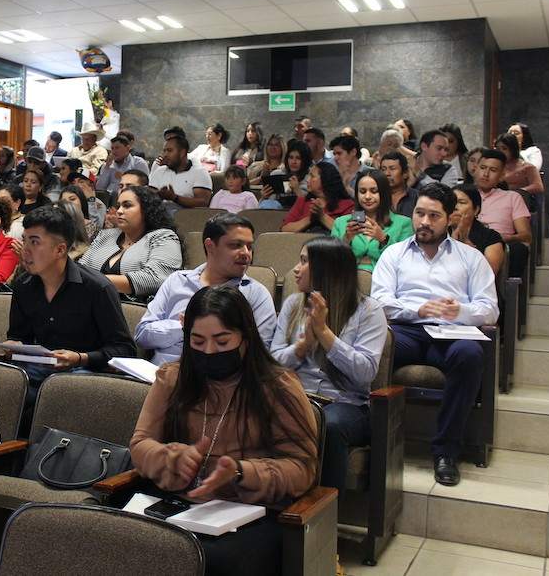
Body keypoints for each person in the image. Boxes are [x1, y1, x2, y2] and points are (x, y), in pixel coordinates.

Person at [130, 285, 317, 575]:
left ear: (246, 337)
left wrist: (241, 472)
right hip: (176, 502)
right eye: (198, 341)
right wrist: (173, 457)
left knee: (217, 560)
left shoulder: (277, 387)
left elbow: (302, 468)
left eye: (222, 341)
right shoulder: (172, 379)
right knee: (121, 541)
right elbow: (141, 444)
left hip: (248, 512)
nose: (209, 351)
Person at [371, 183, 498, 485]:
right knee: (374, 345)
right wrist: (417, 310)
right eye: (419, 214)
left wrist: (461, 311)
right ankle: (368, 437)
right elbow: (379, 301)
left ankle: (445, 452)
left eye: (434, 216)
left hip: (453, 331)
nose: (424, 222)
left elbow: (490, 309)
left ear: (450, 218)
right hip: (407, 330)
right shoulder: (394, 254)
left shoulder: (470, 257)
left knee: (469, 355)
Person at [271, 237, 387, 495]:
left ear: (326, 269)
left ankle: (325, 511)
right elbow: (274, 363)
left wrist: (325, 334)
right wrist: (302, 346)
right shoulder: (293, 304)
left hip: (346, 405)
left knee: (329, 424)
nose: (295, 269)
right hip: (298, 396)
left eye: (304, 262)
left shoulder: (368, 311)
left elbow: (366, 372)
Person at [3, 206, 134, 404]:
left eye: (35, 242)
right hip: (40, 367)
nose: (25, 249)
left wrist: (81, 358)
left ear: (60, 250)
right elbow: (19, 335)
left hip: (86, 371)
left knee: (61, 390)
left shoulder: (97, 288)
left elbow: (124, 349)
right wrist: (15, 344)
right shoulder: (24, 285)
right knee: (1, 382)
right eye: (25, 240)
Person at [136, 213, 277, 365]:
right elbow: (142, 336)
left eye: (249, 247)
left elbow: (261, 354)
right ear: (210, 246)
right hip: (160, 372)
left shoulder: (256, 293)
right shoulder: (177, 281)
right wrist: (182, 328)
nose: (246, 253)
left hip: (221, 375)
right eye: (236, 245)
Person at [80, 186, 183, 302]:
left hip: (137, 308)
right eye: (118, 206)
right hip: (92, 303)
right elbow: (81, 269)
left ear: (146, 210)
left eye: (127, 205)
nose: (119, 211)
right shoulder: (106, 235)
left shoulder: (164, 237)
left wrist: (97, 281)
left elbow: (156, 278)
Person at [330, 169, 414, 271]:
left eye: (374, 191)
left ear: (384, 193)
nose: (367, 197)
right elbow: (330, 260)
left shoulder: (403, 223)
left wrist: (383, 239)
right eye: (362, 192)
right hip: (347, 278)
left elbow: (406, 261)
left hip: (386, 278)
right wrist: (346, 240)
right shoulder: (340, 222)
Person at [476, 149, 532, 277]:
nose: (486, 174)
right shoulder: (463, 194)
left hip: (500, 244)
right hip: (469, 241)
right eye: (483, 168)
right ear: (476, 169)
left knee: (519, 249)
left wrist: (507, 237)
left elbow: (526, 236)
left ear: (501, 176)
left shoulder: (513, 198)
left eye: (493, 170)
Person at [281, 162, 354, 234]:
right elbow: (284, 229)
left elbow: (347, 232)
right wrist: (310, 219)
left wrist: (322, 216)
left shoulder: (347, 205)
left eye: (312, 176)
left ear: (325, 179)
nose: (307, 180)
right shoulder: (302, 201)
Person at [149, 135, 212, 215]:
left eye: (170, 151)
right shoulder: (159, 171)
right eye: (164, 151)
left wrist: (175, 198)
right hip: (159, 215)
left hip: (187, 217)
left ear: (182, 153)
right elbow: (149, 196)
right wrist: (159, 194)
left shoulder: (199, 172)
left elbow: (202, 203)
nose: (165, 154)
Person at [451, 183, 504, 276]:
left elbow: (489, 273)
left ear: (476, 210)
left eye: (462, 203)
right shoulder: (438, 233)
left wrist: (466, 243)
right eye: (452, 202)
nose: (455, 207)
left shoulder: (490, 237)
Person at [258, 140, 310, 206]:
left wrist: (297, 190)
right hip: (275, 210)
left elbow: (307, 207)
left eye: (298, 158)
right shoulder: (277, 174)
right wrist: (264, 197)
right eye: (291, 157)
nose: (293, 162)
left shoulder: (310, 179)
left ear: (305, 160)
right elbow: (265, 204)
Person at [380, 151, 419, 218]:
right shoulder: (377, 197)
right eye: (383, 169)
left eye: (392, 169)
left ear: (405, 173)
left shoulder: (417, 198)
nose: (387, 173)